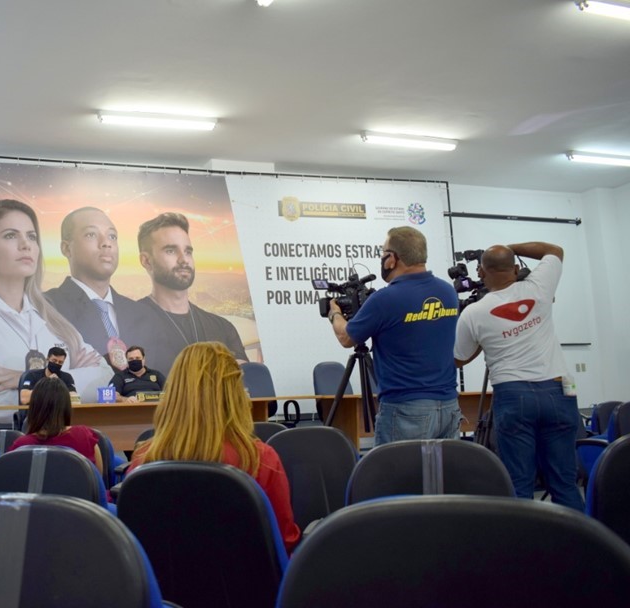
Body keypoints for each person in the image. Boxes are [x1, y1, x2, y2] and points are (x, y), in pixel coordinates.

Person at [0, 199, 113, 423]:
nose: (26, 245)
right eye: (10, 235)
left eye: (31, 236)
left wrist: (25, 379)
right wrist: (68, 382)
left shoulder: (51, 317)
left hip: (62, 443)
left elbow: (104, 379)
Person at [127, 342, 301, 554]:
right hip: (246, 574)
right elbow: (284, 541)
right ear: (235, 393)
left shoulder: (142, 460)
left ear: (173, 392)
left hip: (164, 575)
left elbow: (134, 544)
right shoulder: (260, 459)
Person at [454, 242, 583, 510]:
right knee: (565, 483)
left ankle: (524, 537)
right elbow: (555, 250)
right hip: (562, 388)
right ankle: (578, 537)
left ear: (481, 272)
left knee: (519, 484)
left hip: (513, 394)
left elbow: (459, 358)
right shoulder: (539, 286)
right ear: (515, 269)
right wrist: (509, 247)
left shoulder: (473, 313)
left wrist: (487, 339)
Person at [328, 226, 460, 446]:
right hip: (448, 405)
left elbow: (346, 337)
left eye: (383, 253)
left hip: (406, 409)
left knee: (398, 469)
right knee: (440, 469)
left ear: (391, 259)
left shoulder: (386, 298)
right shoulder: (448, 292)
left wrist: (335, 314)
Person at [137, 212, 248, 376]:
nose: (184, 260)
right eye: (170, 251)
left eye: (188, 251)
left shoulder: (223, 328)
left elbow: (246, 385)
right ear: (146, 261)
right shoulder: (129, 323)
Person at [45, 206, 151, 371]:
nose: (106, 243)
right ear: (66, 248)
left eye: (112, 236)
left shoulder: (141, 313)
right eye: (91, 234)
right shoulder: (46, 307)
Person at [8, 378, 103, 474]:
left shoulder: (20, 446)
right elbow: (98, 479)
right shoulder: (84, 436)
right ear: (66, 407)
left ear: (34, 408)